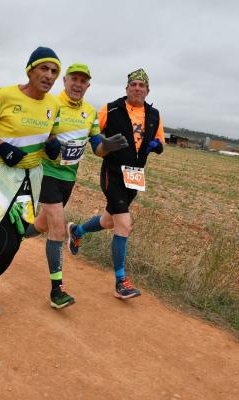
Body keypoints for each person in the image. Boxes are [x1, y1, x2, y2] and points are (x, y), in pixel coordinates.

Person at [0, 47, 63, 317]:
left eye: (54, 71)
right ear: (30, 70)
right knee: (3, 240)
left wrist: (52, 147)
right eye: (44, 68)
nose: (49, 76)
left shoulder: (53, 105)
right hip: (1, 174)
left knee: (14, 243)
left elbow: (49, 135)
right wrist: (0, 145)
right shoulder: (4, 95)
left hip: (31, 178)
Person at [24, 63, 128, 309]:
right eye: (74, 79)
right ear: (65, 81)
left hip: (68, 179)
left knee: (41, 225)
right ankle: (56, 290)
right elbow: (34, 135)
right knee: (58, 230)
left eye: (83, 81)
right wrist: (47, 145)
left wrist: (108, 146)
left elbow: (98, 149)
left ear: (88, 86)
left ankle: (16, 233)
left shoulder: (90, 113)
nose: (78, 85)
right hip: (46, 174)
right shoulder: (49, 104)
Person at [66, 68, 165, 300]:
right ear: (127, 88)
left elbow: (160, 140)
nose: (137, 88)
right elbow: (93, 132)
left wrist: (157, 146)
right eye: (134, 85)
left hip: (135, 176)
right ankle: (121, 281)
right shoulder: (110, 109)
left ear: (148, 90)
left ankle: (77, 231)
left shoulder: (155, 114)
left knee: (110, 220)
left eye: (142, 85)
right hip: (113, 173)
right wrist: (103, 143)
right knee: (124, 223)